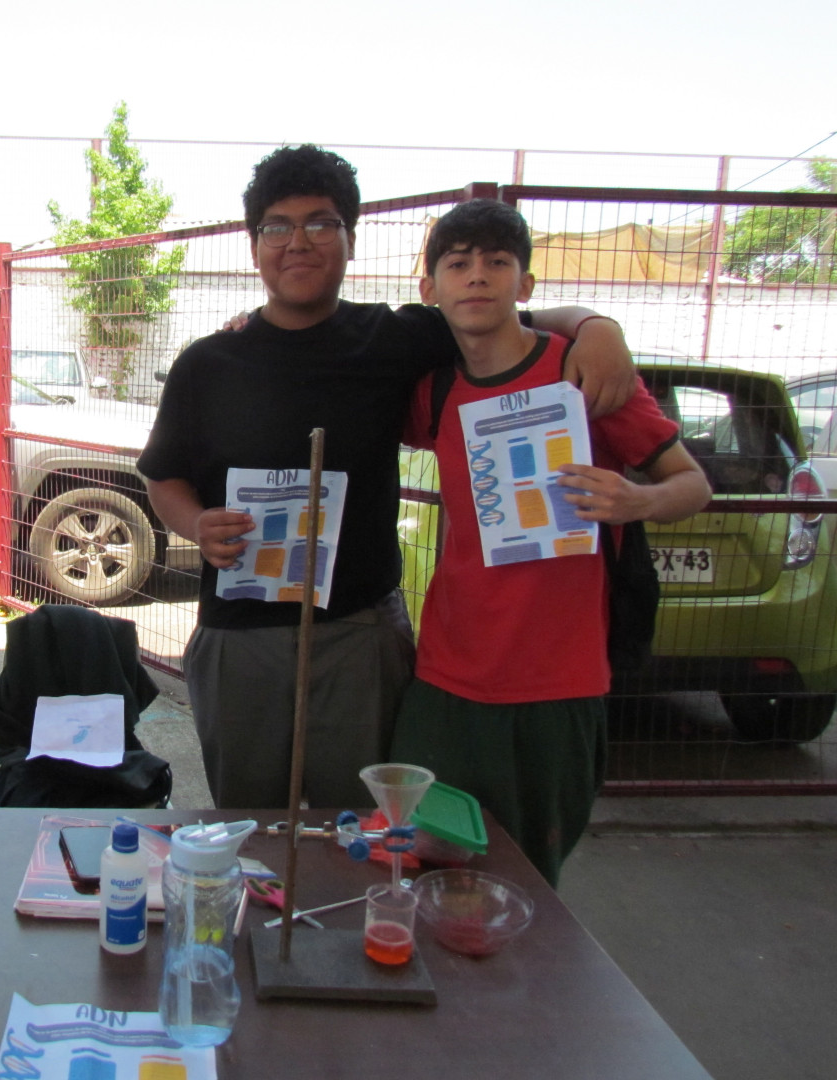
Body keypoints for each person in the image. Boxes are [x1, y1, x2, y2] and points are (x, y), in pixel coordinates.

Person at [136, 145, 636, 810]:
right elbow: (163, 477)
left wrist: (598, 328)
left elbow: (502, 315)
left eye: (321, 223)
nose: (298, 242)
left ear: (350, 238)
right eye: (277, 227)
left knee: (362, 830)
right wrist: (196, 523)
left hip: (360, 637)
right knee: (252, 828)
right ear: (254, 246)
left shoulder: (394, 337)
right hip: (240, 639)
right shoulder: (208, 363)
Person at [390, 199, 711, 884]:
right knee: (426, 871)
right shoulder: (433, 391)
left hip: (557, 683)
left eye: (497, 262)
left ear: (525, 284)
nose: (478, 276)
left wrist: (637, 501)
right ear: (431, 289)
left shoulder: (583, 375)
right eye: (458, 264)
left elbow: (693, 484)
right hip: (446, 678)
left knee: (528, 885)